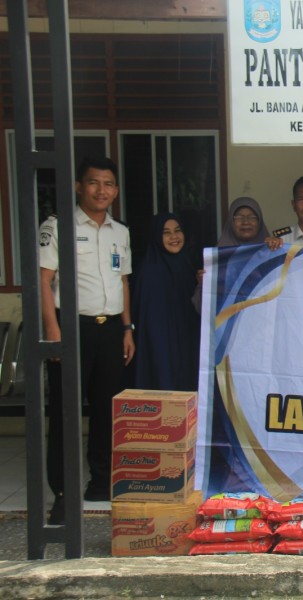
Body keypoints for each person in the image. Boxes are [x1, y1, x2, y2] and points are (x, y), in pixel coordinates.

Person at [39, 157, 135, 523]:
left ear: (115, 190)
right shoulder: (58, 226)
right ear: (80, 186)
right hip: (70, 326)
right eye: (94, 183)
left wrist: (128, 329)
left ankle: (100, 483)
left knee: (106, 409)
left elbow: (122, 281)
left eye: (108, 184)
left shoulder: (119, 231)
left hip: (110, 328)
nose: (101, 190)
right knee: (65, 412)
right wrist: (53, 330)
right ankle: (63, 493)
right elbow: (45, 281)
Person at [133, 213, 200, 392]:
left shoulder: (187, 264)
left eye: (178, 231)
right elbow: (147, 322)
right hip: (160, 346)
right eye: (166, 232)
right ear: (156, 236)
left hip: (186, 343)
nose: (174, 237)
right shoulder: (147, 271)